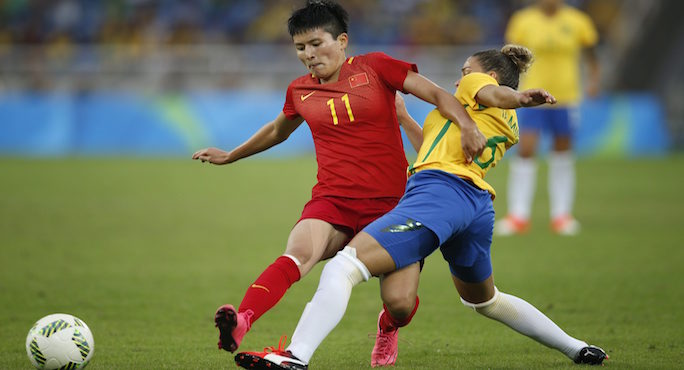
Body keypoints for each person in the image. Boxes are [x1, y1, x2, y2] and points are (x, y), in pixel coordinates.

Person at [234, 45, 608, 370]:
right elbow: (431, 150)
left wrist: (522, 97)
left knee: (343, 266)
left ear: (488, 75)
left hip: (439, 194)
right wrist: (404, 118)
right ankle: (577, 348)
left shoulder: (481, 90)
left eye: (465, 71)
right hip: (475, 205)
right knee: (486, 301)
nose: (460, 79)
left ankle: (295, 356)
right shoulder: (496, 122)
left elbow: (495, 93)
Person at [192, 0, 486, 363]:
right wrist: (231, 154)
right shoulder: (299, 91)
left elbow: (440, 96)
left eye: (317, 44)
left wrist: (467, 125)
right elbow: (276, 131)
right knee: (297, 254)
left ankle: (388, 327)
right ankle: (243, 319)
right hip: (333, 201)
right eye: (300, 48)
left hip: (394, 207)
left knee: (399, 303)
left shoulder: (377, 67)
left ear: (342, 40)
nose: (309, 55)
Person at [495, 0, 600, 236]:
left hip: (566, 97)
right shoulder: (522, 21)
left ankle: (561, 216)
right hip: (532, 97)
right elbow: (509, 58)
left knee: (562, 153)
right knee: (526, 151)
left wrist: (594, 80)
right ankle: (518, 215)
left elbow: (591, 53)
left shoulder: (578, 21)